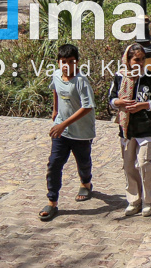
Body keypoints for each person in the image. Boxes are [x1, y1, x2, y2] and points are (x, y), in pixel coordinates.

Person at [40, 43, 95, 222]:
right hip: (61, 131)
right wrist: (55, 110)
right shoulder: (56, 75)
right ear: (58, 63)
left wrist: (63, 124)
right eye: (63, 62)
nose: (67, 65)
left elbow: (87, 106)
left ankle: (86, 183)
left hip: (81, 132)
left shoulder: (81, 81)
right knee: (54, 163)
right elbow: (56, 89)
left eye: (71, 62)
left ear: (77, 63)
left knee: (83, 162)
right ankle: (52, 201)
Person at [109, 43, 151, 217]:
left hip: (146, 127)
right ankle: (134, 200)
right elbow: (111, 99)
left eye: (142, 60)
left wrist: (144, 105)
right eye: (136, 60)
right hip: (127, 129)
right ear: (128, 60)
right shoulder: (119, 76)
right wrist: (119, 103)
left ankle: (148, 200)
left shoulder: (150, 77)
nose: (139, 63)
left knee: (145, 164)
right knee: (129, 165)